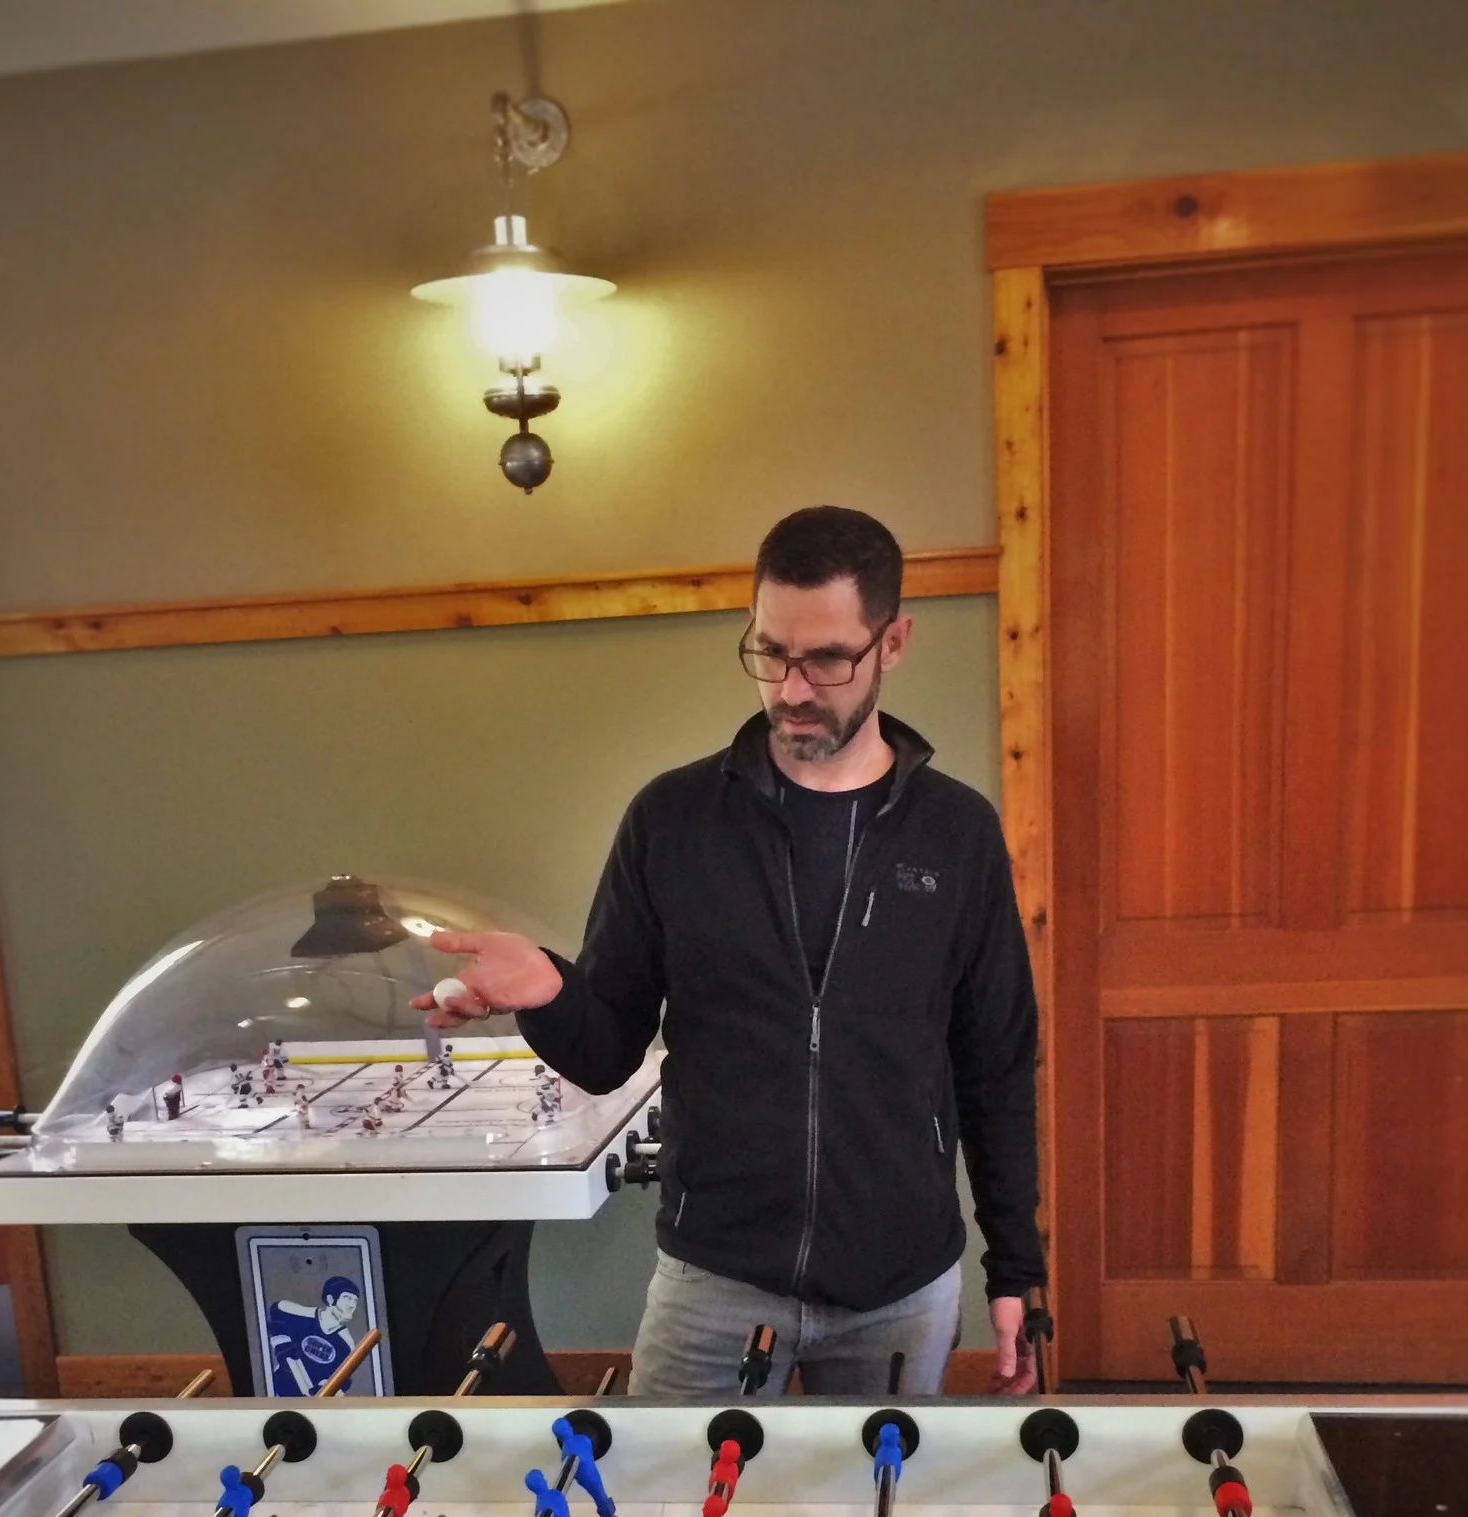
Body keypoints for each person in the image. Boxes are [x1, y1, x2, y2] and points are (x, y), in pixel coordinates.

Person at [417, 505, 1044, 1397]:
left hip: (901, 1286)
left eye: (827, 659)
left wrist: (1016, 1266)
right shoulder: (672, 822)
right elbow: (605, 1053)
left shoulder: (958, 834)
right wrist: (548, 990)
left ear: (894, 642)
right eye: (769, 651)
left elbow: (998, 1061)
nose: (791, 688)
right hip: (712, 1278)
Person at [266, 1274, 362, 1396]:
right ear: (331, 1299)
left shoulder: (346, 1344)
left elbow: (341, 1381)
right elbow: (278, 1308)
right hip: (280, 1389)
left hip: (309, 1400)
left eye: (355, 1300)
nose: (352, 1305)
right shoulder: (304, 1315)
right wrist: (282, 1342)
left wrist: (326, 1386)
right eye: (347, 1298)